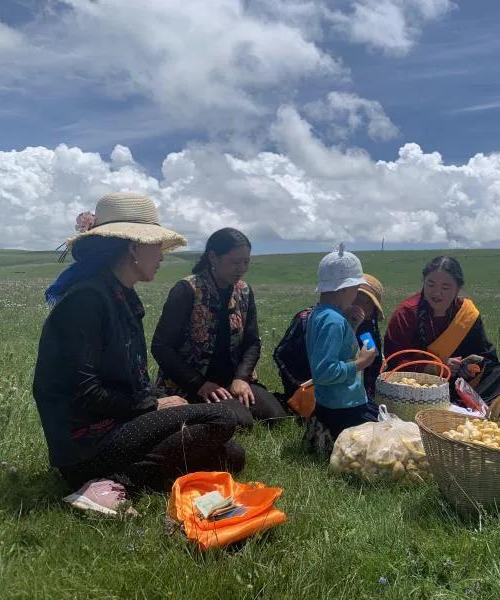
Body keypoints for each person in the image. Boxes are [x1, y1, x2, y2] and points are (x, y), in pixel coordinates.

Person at [34, 192, 245, 516]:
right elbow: (86, 394)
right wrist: (153, 404)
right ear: (134, 248)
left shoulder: (120, 296)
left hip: (117, 422)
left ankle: (128, 474)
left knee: (231, 455)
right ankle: (113, 484)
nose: (161, 255)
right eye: (155, 245)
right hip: (86, 443)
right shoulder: (87, 301)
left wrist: (157, 400)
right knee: (221, 417)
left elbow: (126, 381)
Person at [152, 228, 285, 428]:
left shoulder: (244, 291)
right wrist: (199, 384)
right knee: (241, 422)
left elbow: (252, 342)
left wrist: (241, 378)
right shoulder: (187, 290)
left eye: (246, 262)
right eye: (235, 262)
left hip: (231, 378)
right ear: (213, 257)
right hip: (191, 382)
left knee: (275, 417)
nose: (241, 268)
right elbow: (161, 347)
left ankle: (232, 395)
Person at [384, 256, 500, 404]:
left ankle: (461, 405)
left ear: (458, 289)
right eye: (430, 285)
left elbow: (485, 355)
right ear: (423, 283)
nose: (437, 293)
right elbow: (395, 360)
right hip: (419, 384)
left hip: (460, 382)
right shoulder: (406, 313)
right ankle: (464, 406)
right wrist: (437, 367)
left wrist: (469, 367)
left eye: (445, 287)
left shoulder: (467, 313)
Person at [303, 245, 378, 453]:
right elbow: (324, 372)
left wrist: (352, 326)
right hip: (344, 407)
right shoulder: (334, 322)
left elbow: (339, 351)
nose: (356, 295)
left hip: (331, 403)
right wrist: (361, 363)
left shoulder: (321, 315)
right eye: (356, 289)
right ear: (344, 289)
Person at [273, 274, 384, 402]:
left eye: (367, 302)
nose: (360, 306)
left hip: (349, 398)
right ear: (345, 294)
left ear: (372, 312)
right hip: (312, 394)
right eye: (356, 296)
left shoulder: (367, 329)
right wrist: (299, 389)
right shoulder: (309, 320)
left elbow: (372, 362)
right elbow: (282, 355)